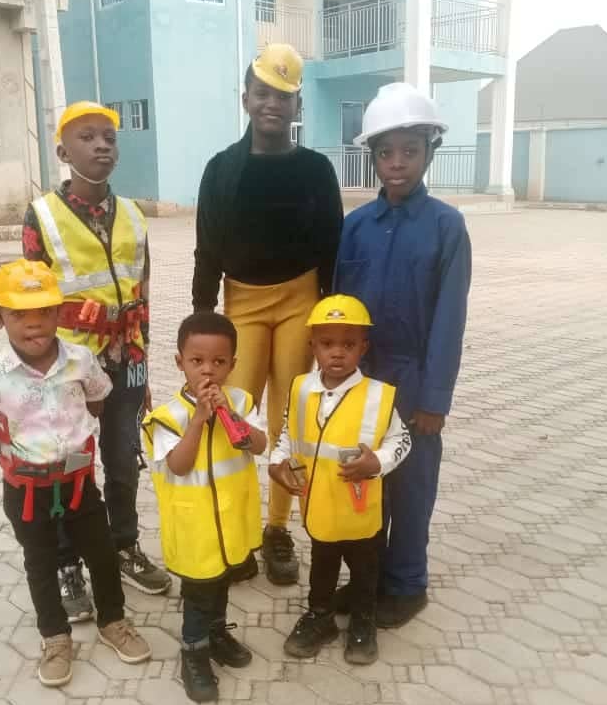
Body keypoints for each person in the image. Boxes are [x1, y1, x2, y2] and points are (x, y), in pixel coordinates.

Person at [0, 259, 152, 687]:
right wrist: (4, 447)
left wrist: (74, 434)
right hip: (26, 491)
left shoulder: (80, 360)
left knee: (101, 553)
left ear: (59, 313)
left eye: (44, 311)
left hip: (78, 482)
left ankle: (113, 621)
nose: (34, 323)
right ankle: (55, 637)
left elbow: (98, 400)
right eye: (19, 314)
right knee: (40, 563)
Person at [192, 43, 343, 586]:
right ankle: (232, 529)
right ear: (246, 99)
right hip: (243, 303)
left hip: (302, 301)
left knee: (288, 417)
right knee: (232, 414)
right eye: (263, 93)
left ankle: (277, 529)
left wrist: (331, 319)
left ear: (298, 103)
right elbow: (207, 246)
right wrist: (202, 317)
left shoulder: (316, 170)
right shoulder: (221, 170)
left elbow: (332, 246)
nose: (272, 104)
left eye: (283, 95)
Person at [22, 101, 171, 622]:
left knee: (125, 457)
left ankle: (124, 544)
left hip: (126, 358)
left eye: (109, 137)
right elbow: (32, 298)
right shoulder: (42, 215)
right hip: (70, 368)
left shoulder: (133, 214)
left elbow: (143, 290)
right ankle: (67, 563)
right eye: (87, 137)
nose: (102, 145)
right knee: (68, 465)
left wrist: (143, 358)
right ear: (64, 153)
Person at [333, 83, 472, 629]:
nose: (397, 163)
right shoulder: (354, 228)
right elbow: (338, 311)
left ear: (429, 151)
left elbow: (449, 320)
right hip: (362, 380)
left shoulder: (445, 226)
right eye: (386, 152)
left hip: (414, 378)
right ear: (372, 157)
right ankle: (367, 577)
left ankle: (408, 583)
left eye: (409, 151)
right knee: (366, 484)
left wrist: (435, 399)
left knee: (411, 486)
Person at [269, 295, 411, 664]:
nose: (337, 352)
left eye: (348, 344)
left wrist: (376, 462)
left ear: (363, 347)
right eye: (327, 343)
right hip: (319, 507)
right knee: (322, 566)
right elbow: (288, 435)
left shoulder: (378, 395)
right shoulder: (300, 388)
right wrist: (277, 463)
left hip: (360, 509)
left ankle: (363, 621)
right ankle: (320, 617)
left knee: (365, 569)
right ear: (312, 345)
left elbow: (402, 440)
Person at [141, 312, 266, 703]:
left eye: (219, 361)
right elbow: (179, 465)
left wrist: (231, 415)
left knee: (222, 583)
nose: (208, 370)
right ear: (180, 362)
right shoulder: (166, 417)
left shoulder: (242, 400)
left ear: (232, 364)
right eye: (197, 361)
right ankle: (193, 652)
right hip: (194, 530)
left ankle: (217, 633)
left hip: (230, 524)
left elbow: (259, 444)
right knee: (198, 596)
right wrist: (198, 420)